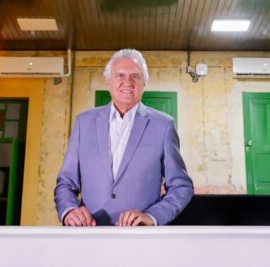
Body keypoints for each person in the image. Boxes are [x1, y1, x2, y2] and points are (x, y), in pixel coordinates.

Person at [55, 49, 193, 226]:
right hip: (89, 235)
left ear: (144, 83)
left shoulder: (164, 126)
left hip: (140, 238)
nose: (127, 82)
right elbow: (66, 183)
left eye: (135, 76)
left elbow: (182, 187)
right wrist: (69, 211)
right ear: (109, 82)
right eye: (120, 75)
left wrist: (152, 217)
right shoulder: (84, 122)